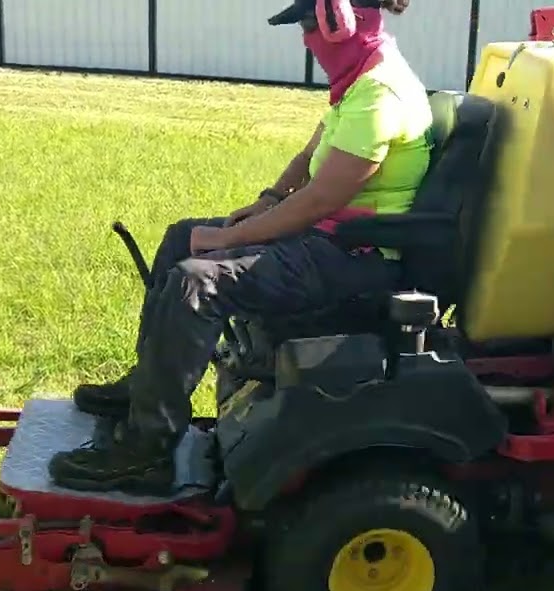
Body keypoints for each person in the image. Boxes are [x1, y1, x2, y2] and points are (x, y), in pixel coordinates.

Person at [48, 0, 432, 494]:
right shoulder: (358, 83)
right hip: (329, 240)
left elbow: (322, 199)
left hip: (356, 258)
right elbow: (311, 156)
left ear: (342, 22)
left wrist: (229, 238)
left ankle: (147, 452)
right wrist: (268, 199)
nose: (305, 39)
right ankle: (145, 391)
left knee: (197, 283)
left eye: (310, 25)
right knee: (180, 236)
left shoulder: (380, 92)